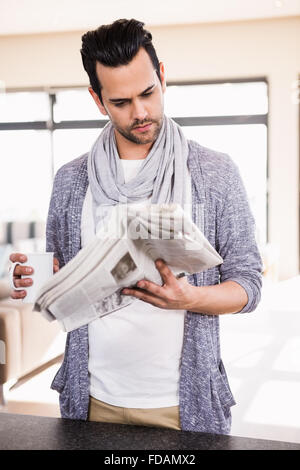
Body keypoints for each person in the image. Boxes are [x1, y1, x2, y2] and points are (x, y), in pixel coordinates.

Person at [9, 18, 262, 434]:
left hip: (184, 404)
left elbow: (249, 285)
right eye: (121, 102)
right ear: (97, 99)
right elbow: (61, 276)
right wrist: (39, 281)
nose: (140, 112)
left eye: (148, 93)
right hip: (90, 398)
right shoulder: (72, 181)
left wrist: (191, 297)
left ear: (162, 77)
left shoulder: (214, 174)